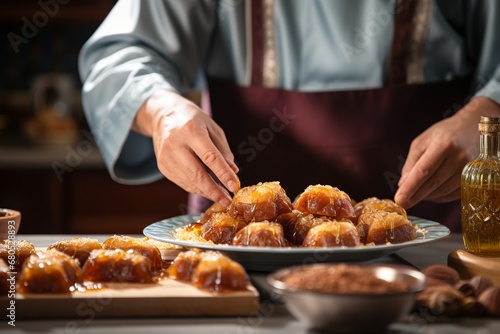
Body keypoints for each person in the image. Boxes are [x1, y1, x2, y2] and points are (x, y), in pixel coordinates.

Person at [79, 0, 500, 232]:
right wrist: (161, 111)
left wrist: (488, 113)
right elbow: (120, 54)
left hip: (432, 252)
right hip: (238, 258)